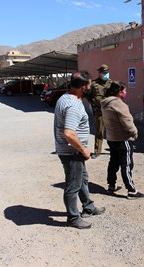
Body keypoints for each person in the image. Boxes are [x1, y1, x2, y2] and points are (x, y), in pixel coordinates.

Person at [54, 71, 105, 229]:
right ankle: (73, 217)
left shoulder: (65, 97)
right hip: (72, 151)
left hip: (70, 150)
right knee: (73, 185)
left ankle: (88, 206)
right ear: (83, 87)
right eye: (89, 85)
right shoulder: (74, 105)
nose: (91, 87)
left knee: (82, 179)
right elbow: (69, 133)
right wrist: (83, 150)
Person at [101, 81, 144, 199]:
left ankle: (111, 186)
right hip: (122, 138)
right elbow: (127, 122)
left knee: (113, 162)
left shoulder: (106, 103)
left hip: (111, 137)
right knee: (126, 164)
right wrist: (134, 133)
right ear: (119, 92)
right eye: (124, 91)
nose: (126, 93)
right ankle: (131, 190)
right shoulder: (119, 104)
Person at [86, 64, 112, 159]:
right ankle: (97, 151)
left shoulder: (111, 83)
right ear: (100, 73)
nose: (106, 74)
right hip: (99, 112)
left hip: (110, 112)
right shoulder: (94, 84)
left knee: (112, 132)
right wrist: (93, 102)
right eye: (104, 73)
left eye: (107, 72)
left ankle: (114, 150)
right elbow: (88, 94)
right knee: (99, 132)